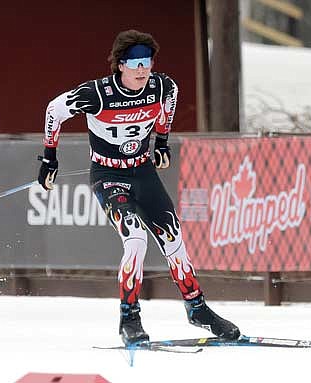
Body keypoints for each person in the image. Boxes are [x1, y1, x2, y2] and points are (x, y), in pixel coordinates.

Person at [37, 29, 240, 345]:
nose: (142, 69)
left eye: (147, 61)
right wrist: (50, 158)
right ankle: (129, 318)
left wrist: (161, 142)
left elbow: (170, 97)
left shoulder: (160, 86)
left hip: (142, 172)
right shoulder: (96, 94)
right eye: (134, 63)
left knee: (173, 239)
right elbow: (54, 110)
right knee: (135, 239)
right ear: (120, 65)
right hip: (108, 176)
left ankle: (197, 309)